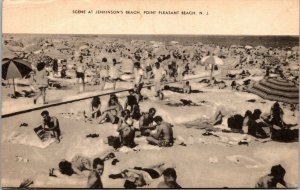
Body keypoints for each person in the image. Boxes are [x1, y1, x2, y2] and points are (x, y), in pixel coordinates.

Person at [109, 163, 173, 188]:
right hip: (155, 173)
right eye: (131, 178)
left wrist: (118, 175)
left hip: (148, 171)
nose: (131, 177)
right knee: (162, 167)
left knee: (149, 167)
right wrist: (129, 169)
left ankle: (159, 164)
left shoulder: (134, 181)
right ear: (134, 183)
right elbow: (141, 173)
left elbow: (125, 177)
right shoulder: (139, 182)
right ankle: (161, 165)